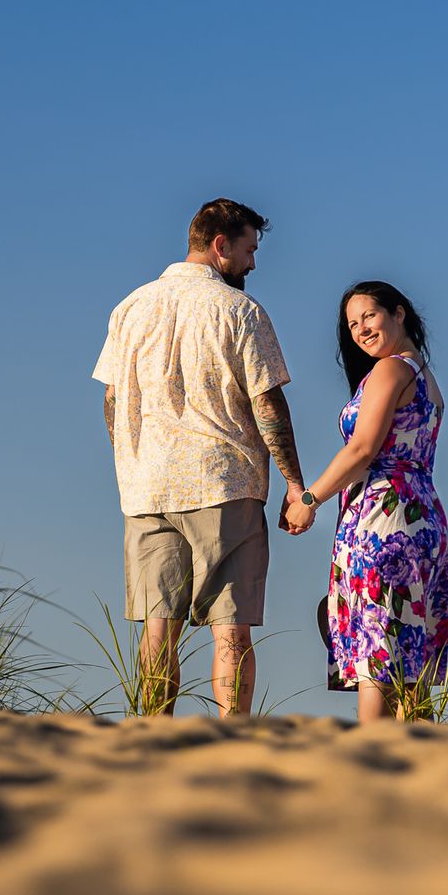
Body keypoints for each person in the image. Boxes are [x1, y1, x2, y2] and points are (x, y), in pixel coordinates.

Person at [91, 198, 306, 716]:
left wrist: (132, 461)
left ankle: (153, 731)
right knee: (230, 628)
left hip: (147, 489)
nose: (252, 263)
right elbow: (267, 404)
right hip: (224, 482)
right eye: (249, 251)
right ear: (220, 245)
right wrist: (295, 484)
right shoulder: (240, 311)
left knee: (157, 628)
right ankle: (233, 735)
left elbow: (112, 400)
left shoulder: (130, 308)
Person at [283, 282, 448, 723]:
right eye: (352, 324)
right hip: (422, 515)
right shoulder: (426, 378)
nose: (360, 330)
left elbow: (362, 449)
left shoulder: (389, 371)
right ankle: (418, 752)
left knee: (376, 656)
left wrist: (309, 499)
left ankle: (370, 754)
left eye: (369, 316)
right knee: (408, 657)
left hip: (383, 517)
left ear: (399, 313)